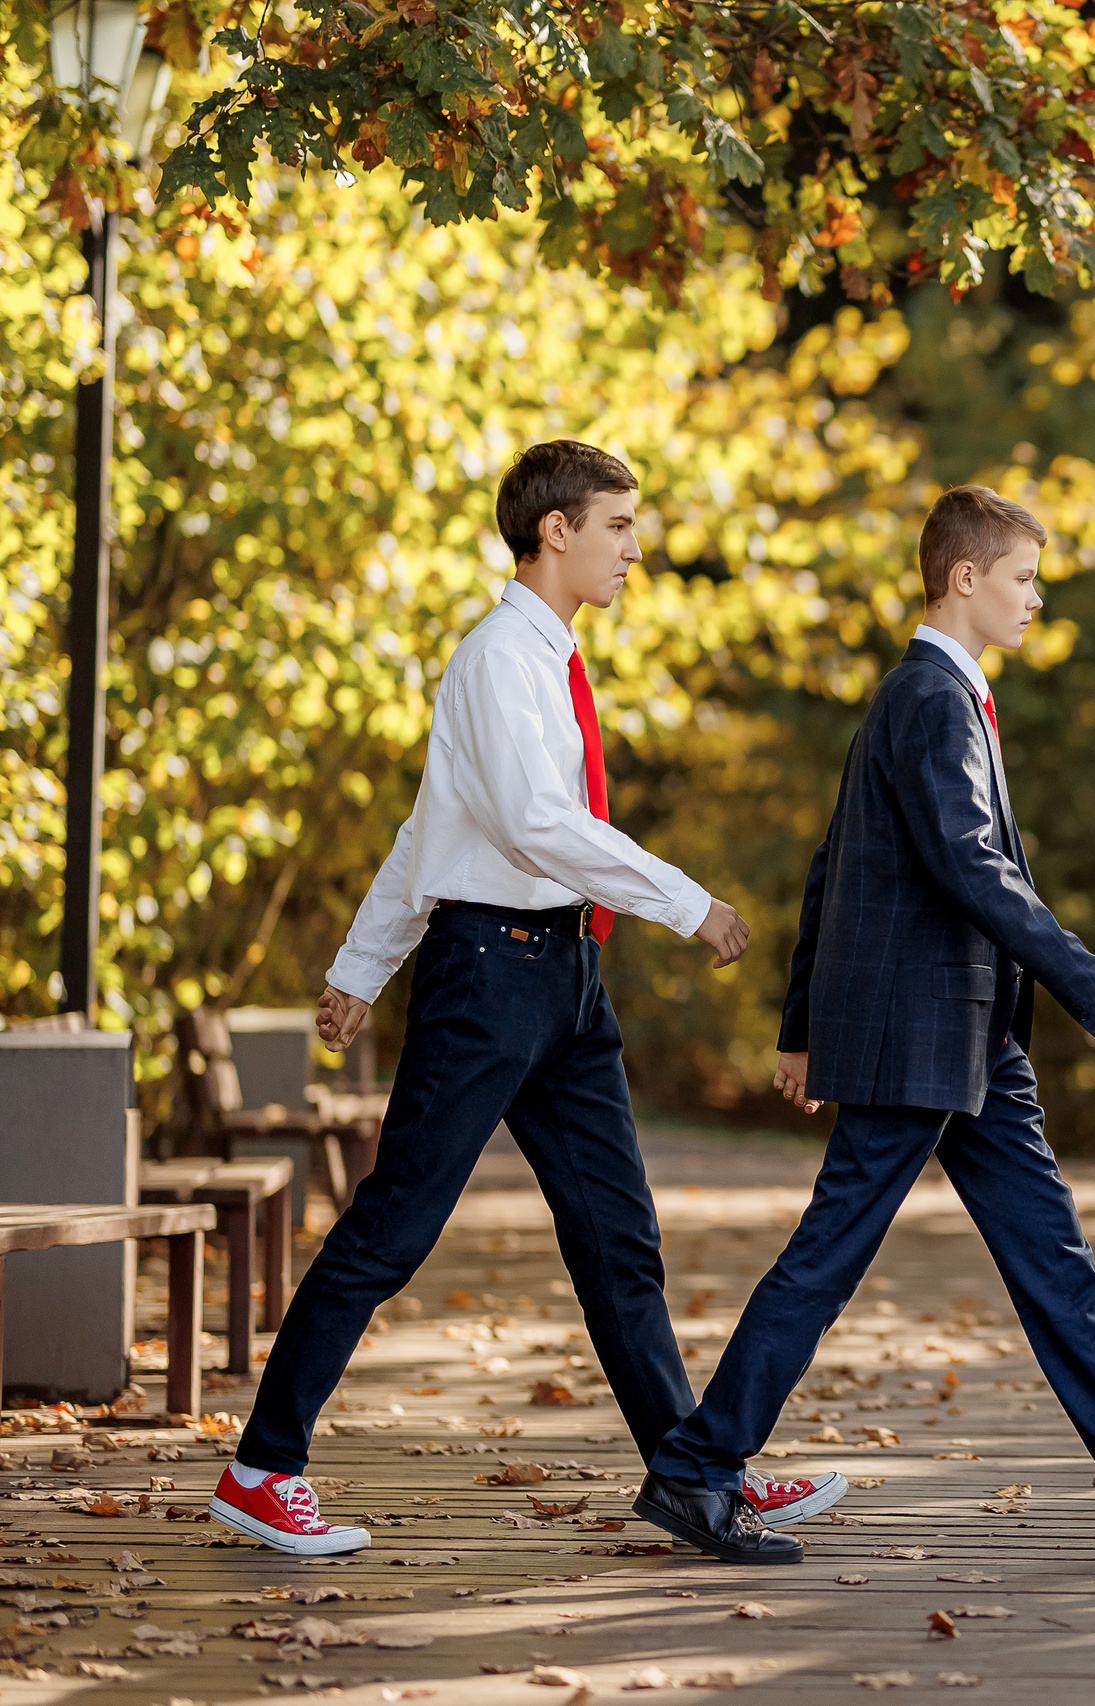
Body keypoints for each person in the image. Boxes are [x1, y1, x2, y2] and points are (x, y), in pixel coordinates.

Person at [634, 485, 1095, 1565]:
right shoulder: (932, 699)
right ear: (967, 577)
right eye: (1025, 579)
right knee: (827, 1259)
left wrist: (801, 1024)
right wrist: (1093, 981)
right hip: (920, 1038)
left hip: (968, 1037)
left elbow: (831, 865)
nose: (1035, 599)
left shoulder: (929, 695)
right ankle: (699, 1467)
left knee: (1054, 1260)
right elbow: (968, 866)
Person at [209, 441, 824, 1556]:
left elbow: (427, 823)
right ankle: (262, 1465)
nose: (634, 548)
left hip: (564, 982)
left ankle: (691, 1476)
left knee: (618, 1241)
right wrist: (687, 903)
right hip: (490, 976)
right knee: (392, 1228)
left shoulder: (545, 660)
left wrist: (356, 967)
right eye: (619, 525)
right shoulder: (499, 657)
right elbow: (536, 822)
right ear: (556, 531)